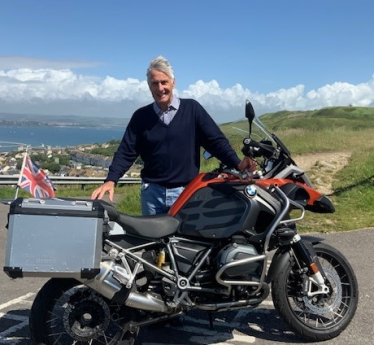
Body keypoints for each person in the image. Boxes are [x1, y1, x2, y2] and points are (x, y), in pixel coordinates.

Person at [91, 56, 255, 215]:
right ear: (149, 87)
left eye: (164, 82)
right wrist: (111, 180)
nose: (160, 88)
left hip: (185, 192)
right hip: (152, 194)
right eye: (155, 83)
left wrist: (238, 164)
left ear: (173, 83)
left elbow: (216, 142)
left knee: (185, 241)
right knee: (152, 241)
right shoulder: (141, 117)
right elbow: (126, 151)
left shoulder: (192, 109)